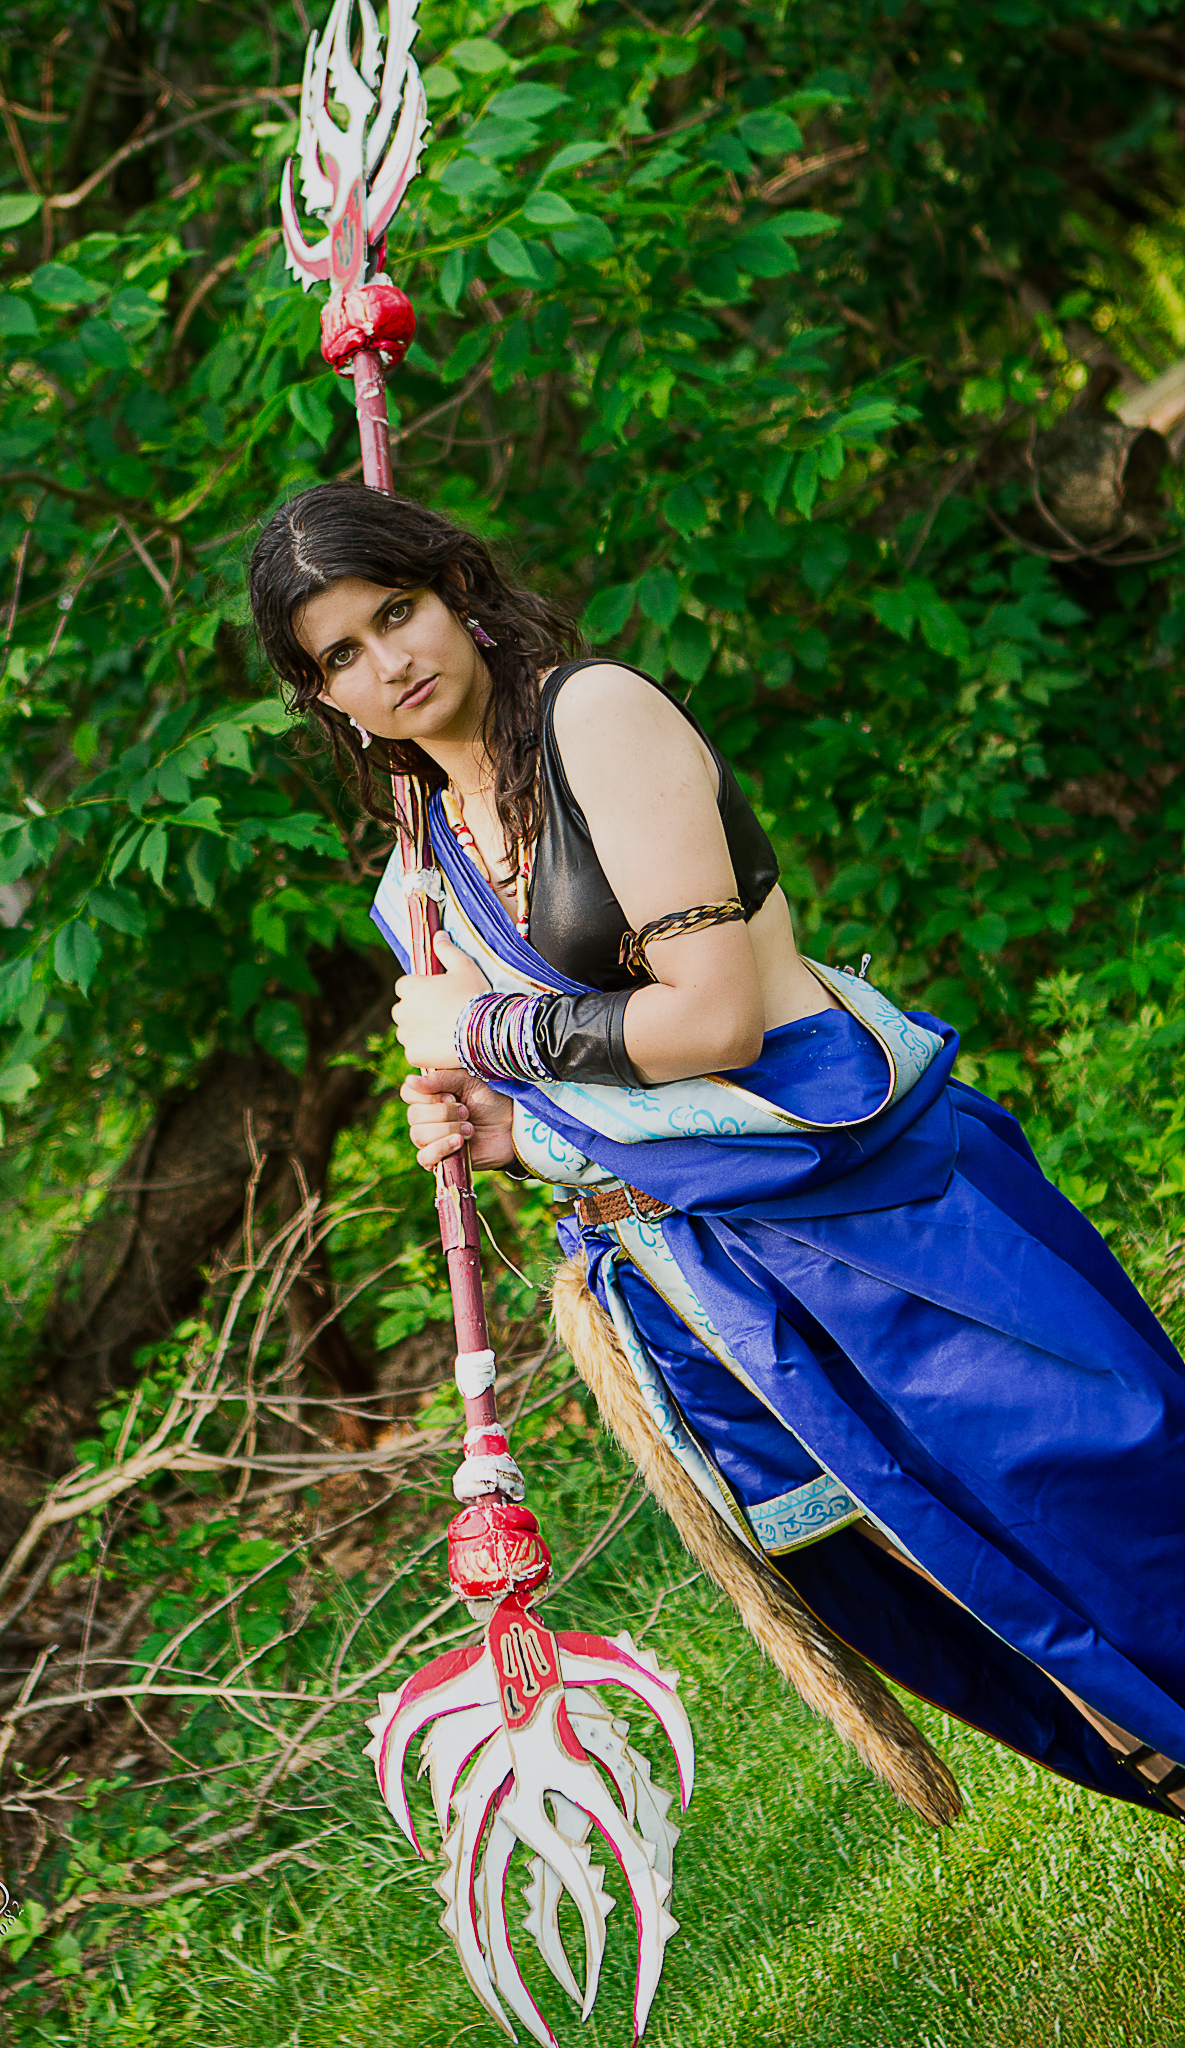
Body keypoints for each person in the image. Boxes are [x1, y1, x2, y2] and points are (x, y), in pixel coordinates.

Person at [249, 479, 1185, 1823]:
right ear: (322, 694)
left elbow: (714, 1019)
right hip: (711, 1284)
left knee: (1105, 1499)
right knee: (967, 1589)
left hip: (873, 1205)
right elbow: (590, 1093)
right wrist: (509, 1132)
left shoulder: (593, 718)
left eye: (396, 612)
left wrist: (483, 1029)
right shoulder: (422, 878)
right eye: (341, 653)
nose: (387, 663)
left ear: (456, 588)